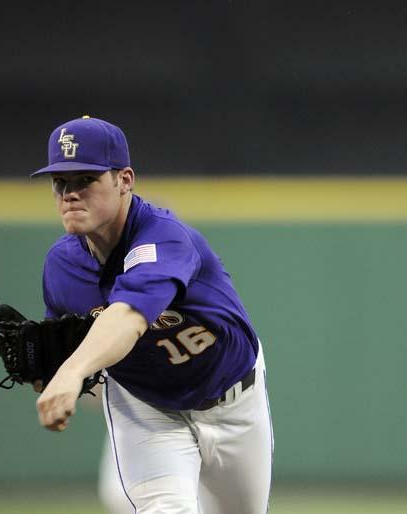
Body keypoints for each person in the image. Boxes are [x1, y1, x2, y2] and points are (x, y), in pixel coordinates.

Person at [31, 115, 273, 514]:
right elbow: (62, 349)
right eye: (61, 182)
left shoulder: (164, 236)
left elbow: (127, 317)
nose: (69, 194)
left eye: (85, 180)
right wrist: (50, 372)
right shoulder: (61, 266)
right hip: (147, 409)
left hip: (233, 399)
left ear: (124, 180)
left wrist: (72, 371)